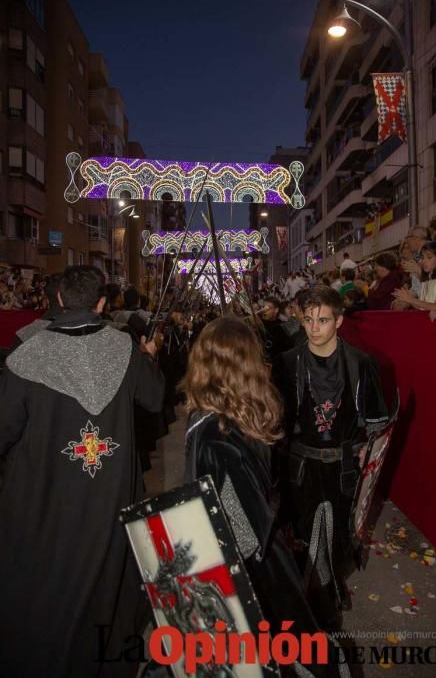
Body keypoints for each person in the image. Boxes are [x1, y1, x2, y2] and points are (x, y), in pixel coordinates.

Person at [0, 265, 165, 678]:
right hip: (107, 501)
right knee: (108, 592)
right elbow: (156, 399)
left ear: (57, 300)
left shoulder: (24, 356)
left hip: (45, 504)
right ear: (101, 303)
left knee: (45, 597)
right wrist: (149, 359)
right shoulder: (126, 349)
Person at [182, 317, 347, 678]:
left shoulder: (213, 430)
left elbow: (241, 527)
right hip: (268, 550)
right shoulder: (250, 413)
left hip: (249, 562)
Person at [277, 285, 388, 632]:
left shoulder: (361, 364)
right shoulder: (287, 363)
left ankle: (332, 586)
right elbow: (275, 421)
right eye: (308, 319)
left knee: (338, 532)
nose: (314, 327)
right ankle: (314, 599)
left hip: (343, 465)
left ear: (338, 320)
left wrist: (364, 458)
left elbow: (376, 422)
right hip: (300, 464)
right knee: (304, 533)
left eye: (323, 320)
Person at [393, 241, 436, 311]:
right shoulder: (426, 279)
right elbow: (422, 307)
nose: (424, 261)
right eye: (423, 257)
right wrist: (405, 298)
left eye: (429, 257)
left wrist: (410, 299)